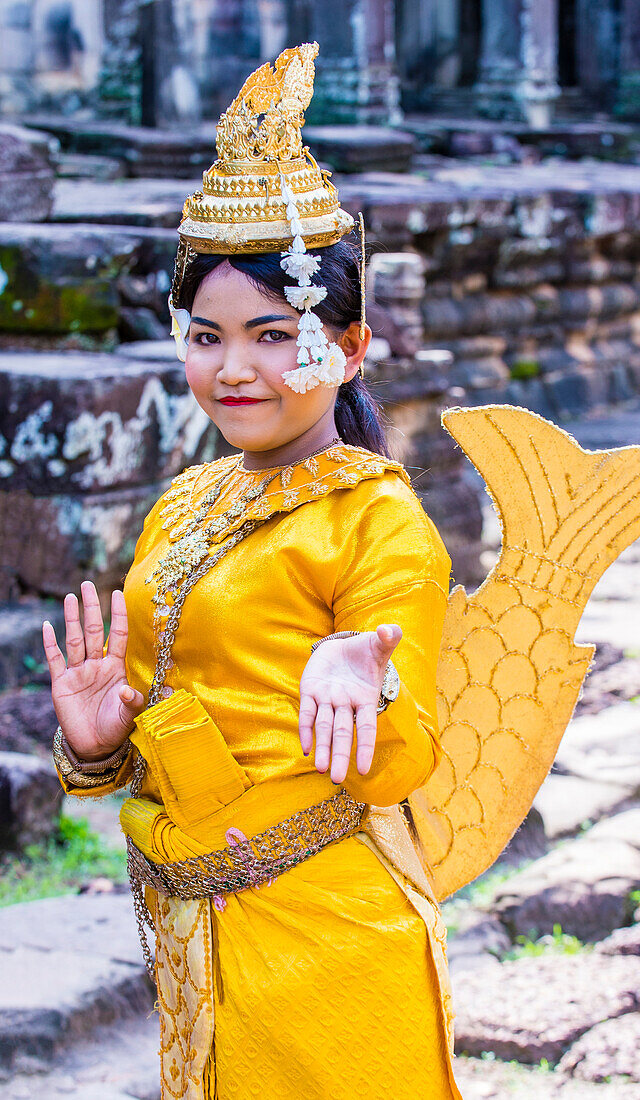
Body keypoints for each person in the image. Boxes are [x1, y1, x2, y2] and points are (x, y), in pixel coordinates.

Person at [43, 42, 464, 1100]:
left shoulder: (377, 519)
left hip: (330, 933)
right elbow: (164, 712)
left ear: (350, 344)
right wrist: (97, 745)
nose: (234, 368)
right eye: (206, 335)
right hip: (195, 933)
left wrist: (365, 673)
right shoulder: (188, 501)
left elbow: (398, 761)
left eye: (276, 335)